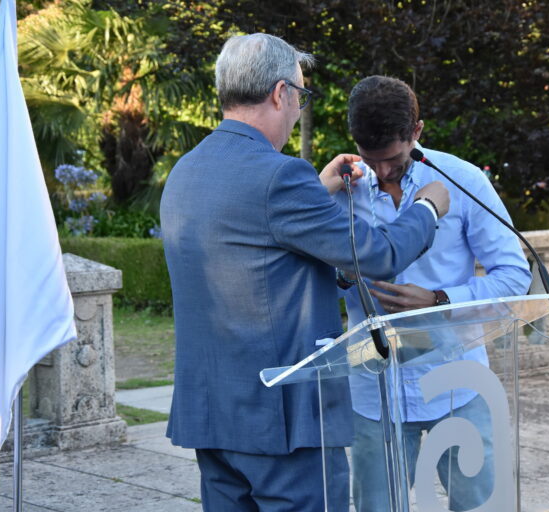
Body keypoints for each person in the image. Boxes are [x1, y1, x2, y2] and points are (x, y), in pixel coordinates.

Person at [160, 37, 450, 512]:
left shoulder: (185, 171)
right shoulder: (281, 176)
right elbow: (378, 255)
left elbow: (257, 257)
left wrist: (316, 191)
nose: (298, 106)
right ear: (280, 93)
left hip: (213, 415)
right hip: (285, 422)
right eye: (301, 93)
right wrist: (427, 208)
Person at [326, 75, 532, 511]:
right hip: (373, 392)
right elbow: (311, 276)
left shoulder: (463, 179)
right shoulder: (337, 187)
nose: (381, 172)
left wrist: (440, 299)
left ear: (417, 131)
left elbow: (515, 276)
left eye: (393, 160)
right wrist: (342, 275)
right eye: (371, 159)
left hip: (458, 385)